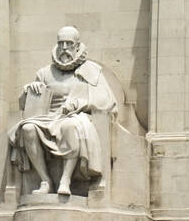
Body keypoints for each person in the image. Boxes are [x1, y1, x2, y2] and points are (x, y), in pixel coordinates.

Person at [9, 26, 116, 195]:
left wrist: (80, 103)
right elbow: (24, 105)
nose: (64, 48)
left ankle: (65, 180)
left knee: (70, 126)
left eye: (69, 44)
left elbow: (106, 100)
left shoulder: (91, 70)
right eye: (61, 44)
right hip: (48, 117)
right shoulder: (44, 73)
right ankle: (45, 181)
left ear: (77, 45)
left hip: (74, 116)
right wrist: (29, 89)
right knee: (27, 128)